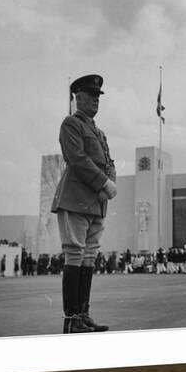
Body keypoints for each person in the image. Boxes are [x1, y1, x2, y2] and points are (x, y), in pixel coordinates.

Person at [51, 74, 116, 334]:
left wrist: (109, 184)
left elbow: (109, 162)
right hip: (76, 198)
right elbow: (77, 158)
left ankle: (84, 314)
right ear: (78, 98)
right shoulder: (71, 124)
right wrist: (103, 183)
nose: (95, 101)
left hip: (96, 201)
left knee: (89, 255)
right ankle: (72, 318)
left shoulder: (99, 132)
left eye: (98, 96)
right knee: (75, 253)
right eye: (90, 96)